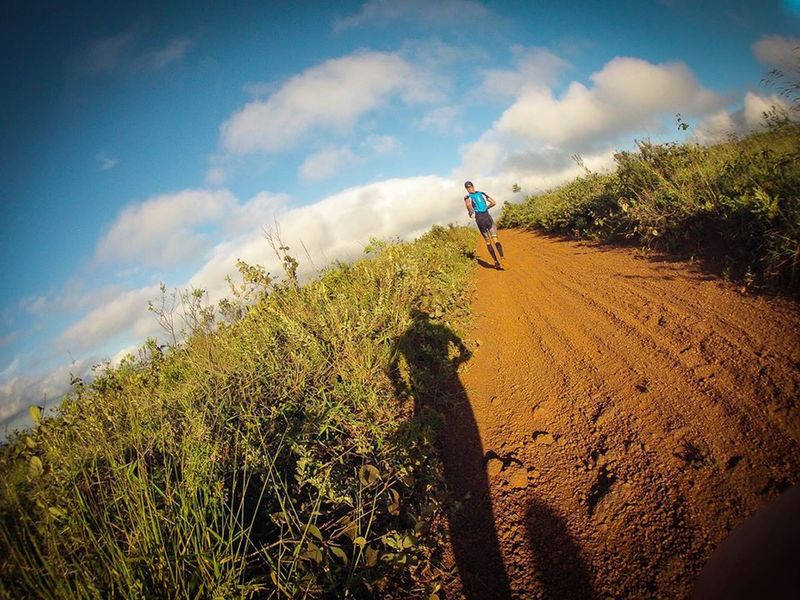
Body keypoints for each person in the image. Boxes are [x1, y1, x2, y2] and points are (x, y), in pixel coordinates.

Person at [463, 180, 505, 269]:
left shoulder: (467, 197)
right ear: (473, 186)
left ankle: (496, 262)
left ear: (466, 189)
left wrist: (471, 212)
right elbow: (493, 202)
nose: (470, 189)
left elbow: (468, 205)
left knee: (488, 241)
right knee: (495, 239)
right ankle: (502, 257)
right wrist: (486, 207)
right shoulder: (482, 193)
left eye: (468, 188)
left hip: (480, 220)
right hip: (488, 217)